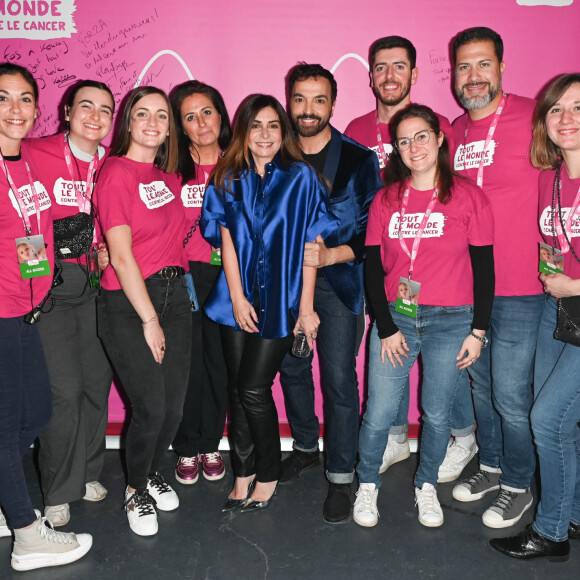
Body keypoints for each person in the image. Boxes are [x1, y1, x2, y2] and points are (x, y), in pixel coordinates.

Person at [354, 104, 494, 529]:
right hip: (396, 316)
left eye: (421, 136)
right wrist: (387, 325)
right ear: (395, 149)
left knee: (435, 413)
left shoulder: (469, 196)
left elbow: (484, 268)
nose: (413, 146)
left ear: (439, 138)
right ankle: (366, 486)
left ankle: (426, 485)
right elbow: (373, 268)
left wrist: (478, 331)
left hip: (451, 321)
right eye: (403, 140)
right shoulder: (386, 199)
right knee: (379, 411)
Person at [344, 36, 475, 483]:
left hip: (439, 270)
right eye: (380, 68)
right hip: (387, 263)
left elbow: (454, 194)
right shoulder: (357, 131)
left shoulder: (438, 124)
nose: (389, 76)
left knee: (441, 366)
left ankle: (462, 435)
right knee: (391, 352)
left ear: (414, 74)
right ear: (370, 77)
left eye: (399, 67)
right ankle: (395, 440)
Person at [201, 94, 337, 513]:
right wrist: (237, 297)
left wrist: (306, 309)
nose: (265, 134)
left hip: (282, 300)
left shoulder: (301, 178)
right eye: (256, 125)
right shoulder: (227, 178)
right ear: (244, 131)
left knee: (253, 389)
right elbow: (224, 238)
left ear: (283, 132)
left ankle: (269, 471)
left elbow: (312, 246)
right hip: (234, 300)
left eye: (273, 125)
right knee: (237, 392)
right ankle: (241, 475)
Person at [277, 64, 382, 524]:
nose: (308, 109)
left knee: (339, 379)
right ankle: (303, 446)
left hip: (339, 288)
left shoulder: (360, 161)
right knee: (292, 369)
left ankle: (341, 476)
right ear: (289, 101)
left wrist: (331, 256)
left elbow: (372, 235)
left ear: (333, 105)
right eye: (300, 99)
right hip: (284, 288)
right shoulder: (273, 155)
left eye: (319, 100)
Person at [450, 27, 544, 529]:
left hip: (523, 287)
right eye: (464, 67)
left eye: (483, 64)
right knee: (481, 389)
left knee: (511, 396)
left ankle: (517, 485)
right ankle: (490, 466)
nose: (473, 77)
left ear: (502, 67)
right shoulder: (455, 132)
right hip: (469, 289)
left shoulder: (535, 116)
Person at [0, 62, 92, 572]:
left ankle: (6, 497)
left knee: (36, 414)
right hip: (1, 312)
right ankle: (27, 533)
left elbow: (32, 234)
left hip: (29, 307)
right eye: (3, 98)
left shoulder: (25, 164)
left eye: (24, 99)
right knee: (6, 420)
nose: (15, 109)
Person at [490, 73, 580, 562]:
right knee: (563, 424)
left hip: (573, 299)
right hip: (558, 310)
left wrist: (574, 284)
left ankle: (551, 534)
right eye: (556, 110)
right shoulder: (551, 177)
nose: (566, 119)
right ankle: (575, 513)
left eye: (578, 108)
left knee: (547, 420)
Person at [96, 86, 191, 536]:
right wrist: (150, 319)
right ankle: (135, 489)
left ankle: (151, 473)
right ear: (128, 122)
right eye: (142, 114)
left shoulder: (169, 177)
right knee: (150, 407)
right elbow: (120, 254)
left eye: (161, 116)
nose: (153, 123)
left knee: (172, 408)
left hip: (177, 298)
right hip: (131, 303)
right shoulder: (115, 171)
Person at [24, 80, 115, 527]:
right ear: (66, 112)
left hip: (96, 285)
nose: (95, 117)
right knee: (64, 391)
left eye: (105, 109)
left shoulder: (111, 163)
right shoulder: (34, 153)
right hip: (53, 289)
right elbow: (18, 218)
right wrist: (39, 274)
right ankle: (57, 489)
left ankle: (87, 473)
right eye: (86, 106)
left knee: (97, 384)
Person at [170, 81, 232, 485]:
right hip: (183, 277)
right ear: (181, 126)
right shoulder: (170, 171)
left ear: (220, 115)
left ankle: (211, 441)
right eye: (189, 117)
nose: (200, 122)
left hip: (228, 278)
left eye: (206, 112)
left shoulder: (240, 165)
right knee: (186, 366)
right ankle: (186, 446)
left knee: (220, 365)